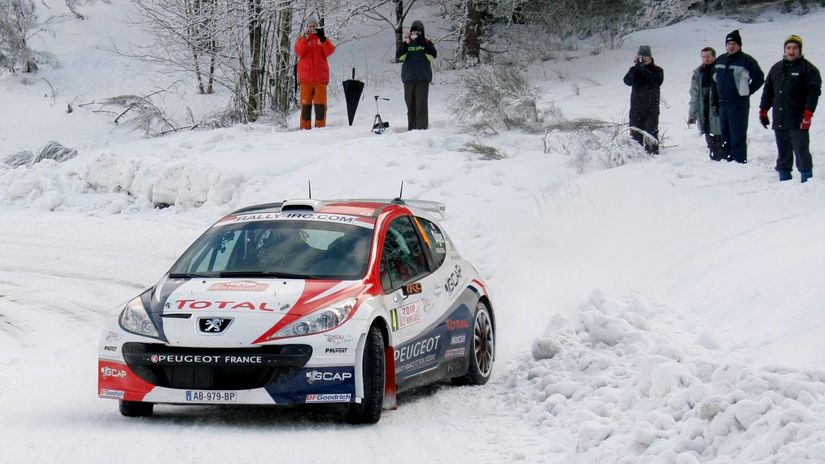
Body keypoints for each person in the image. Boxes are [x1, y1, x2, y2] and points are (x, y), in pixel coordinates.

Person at [759, 35, 821, 182]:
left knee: (801, 149)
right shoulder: (776, 68)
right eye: (788, 47)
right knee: (783, 150)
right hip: (780, 116)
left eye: (794, 48)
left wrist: (808, 113)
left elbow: (814, 92)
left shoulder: (808, 69)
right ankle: (784, 176)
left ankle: (807, 178)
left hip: (798, 117)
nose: (791, 51)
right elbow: (768, 90)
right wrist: (763, 110)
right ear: (784, 49)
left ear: (800, 50)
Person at [713, 30, 764, 163]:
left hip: (739, 103)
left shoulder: (747, 60)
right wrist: (715, 101)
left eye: (734, 43)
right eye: (729, 43)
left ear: (739, 45)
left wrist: (747, 92)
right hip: (723, 102)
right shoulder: (720, 59)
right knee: (725, 134)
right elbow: (714, 81)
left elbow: (759, 78)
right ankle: (727, 160)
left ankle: (739, 162)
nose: (731, 46)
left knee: (737, 135)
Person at [294, 18, 336, 130]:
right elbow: (299, 52)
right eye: (309, 26)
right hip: (305, 79)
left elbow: (330, 51)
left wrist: (323, 40)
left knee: (320, 105)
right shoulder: (301, 40)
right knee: (306, 105)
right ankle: (304, 128)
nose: (312, 28)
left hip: (320, 78)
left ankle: (320, 128)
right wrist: (305, 39)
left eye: (314, 26)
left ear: (317, 27)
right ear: (306, 27)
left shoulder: (321, 39)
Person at [396, 20, 437, 130]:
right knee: (411, 107)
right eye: (414, 31)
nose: (416, 34)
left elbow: (432, 56)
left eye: (418, 32)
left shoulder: (427, 43)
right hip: (409, 80)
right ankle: (412, 130)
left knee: (421, 106)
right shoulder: (407, 44)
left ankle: (421, 130)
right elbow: (400, 57)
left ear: (422, 32)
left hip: (422, 80)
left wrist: (424, 42)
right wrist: (406, 43)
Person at [623, 45, 664, 154]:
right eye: (641, 56)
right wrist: (636, 69)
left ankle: (653, 154)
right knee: (635, 133)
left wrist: (644, 70)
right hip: (636, 107)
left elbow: (656, 82)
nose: (643, 58)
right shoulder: (634, 69)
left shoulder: (657, 70)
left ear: (650, 57)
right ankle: (638, 155)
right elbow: (627, 81)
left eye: (645, 56)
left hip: (651, 107)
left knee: (651, 132)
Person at [689, 47, 724, 160]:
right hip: (703, 111)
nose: (706, 59)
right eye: (703, 56)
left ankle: (721, 159)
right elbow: (694, 95)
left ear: (714, 56)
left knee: (720, 138)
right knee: (710, 139)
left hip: (717, 110)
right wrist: (692, 115)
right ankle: (715, 158)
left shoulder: (720, 70)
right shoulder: (698, 73)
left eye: (708, 56)